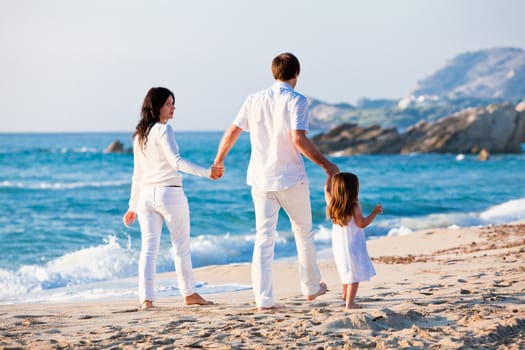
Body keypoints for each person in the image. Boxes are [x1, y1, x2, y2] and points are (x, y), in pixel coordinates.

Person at [213, 53, 339, 311]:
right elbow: (299, 139)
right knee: (303, 233)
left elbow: (233, 130)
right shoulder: (297, 100)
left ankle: (264, 300)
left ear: (274, 73)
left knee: (263, 239)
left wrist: (219, 160)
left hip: (260, 180)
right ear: (297, 74)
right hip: (291, 178)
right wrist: (327, 165)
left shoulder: (253, 99)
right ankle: (311, 287)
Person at [122, 87, 221, 310]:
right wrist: (208, 172)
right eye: (169, 103)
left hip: (146, 196)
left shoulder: (140, 136)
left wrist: (133, 206)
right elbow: (176, 162)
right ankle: (189, 294)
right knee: (181, 246)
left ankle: (146, 299)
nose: (173, 107)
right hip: (169, 193)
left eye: (173, 103)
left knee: (148, 248)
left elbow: (137, 174)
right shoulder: (164, 131)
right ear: (157, 107)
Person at [324, 172, 382, 309]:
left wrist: (329, 175)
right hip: (353, 245)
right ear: (353, 189)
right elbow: (362, 223)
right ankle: (350, 303)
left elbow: (326, 190)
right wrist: (374, 213)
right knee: (354, 276)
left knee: (346, 270)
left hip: (339, 246)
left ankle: (345, 295)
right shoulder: (354, 206)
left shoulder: (332, 204)